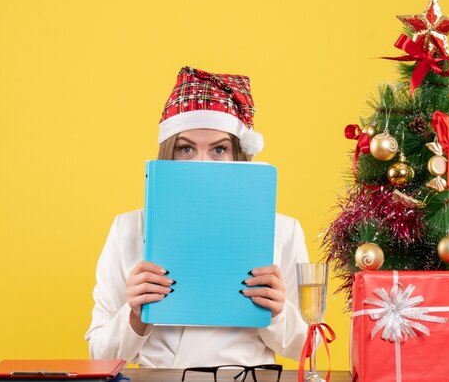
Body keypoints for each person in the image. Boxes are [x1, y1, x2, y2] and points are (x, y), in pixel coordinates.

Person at [85, 66, 310, 368]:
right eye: (186, 148)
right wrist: (135, 315)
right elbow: (100, 357)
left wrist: (279, 313)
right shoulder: (128, 229)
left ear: (237, 156)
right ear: (169, 154)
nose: (201, 163)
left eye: (219, 149)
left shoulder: (282, 230)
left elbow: (307, 349)